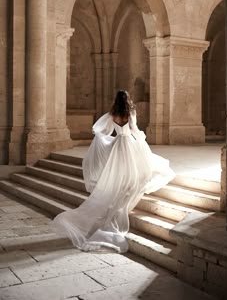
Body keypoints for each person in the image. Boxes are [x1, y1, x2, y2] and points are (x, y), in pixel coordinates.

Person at [52, 90, 175, 253]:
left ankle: (123, 186)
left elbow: (104, 131)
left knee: (119, 170)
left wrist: (103, 141)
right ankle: (128, 186)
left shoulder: (113, 113)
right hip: (128, 142)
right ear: (127, 99)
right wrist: (141, 139)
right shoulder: (130, 111)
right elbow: (134, 128)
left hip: (117, 144)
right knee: (134, 168)